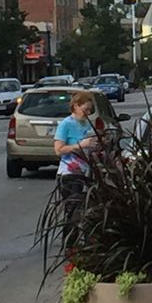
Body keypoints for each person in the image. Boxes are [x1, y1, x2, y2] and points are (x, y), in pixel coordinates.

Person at [53, 91, 100, 244]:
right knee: (72, 209)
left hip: (85, 171)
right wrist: (81, 145)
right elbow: (59, 149)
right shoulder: (65, 124)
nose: (88, 113)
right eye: (85, 109)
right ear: (75, 106)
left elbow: (90, 147)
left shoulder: (86, 124)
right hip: (69, 173)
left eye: (90, 110)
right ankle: (69, 242)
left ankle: (85, 240)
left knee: (86, 207)